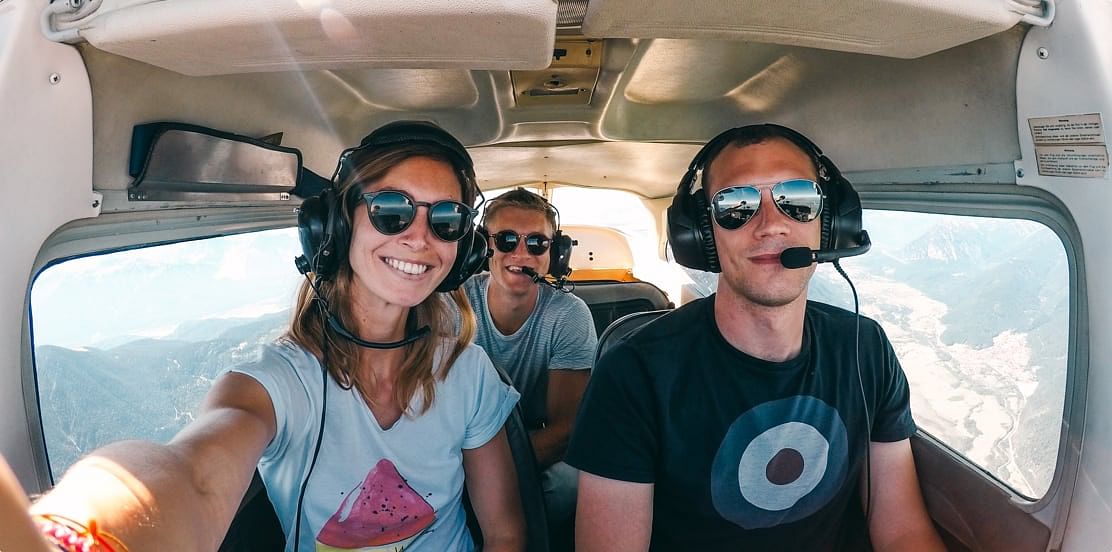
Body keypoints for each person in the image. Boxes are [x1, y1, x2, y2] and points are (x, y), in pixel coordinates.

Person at [26, 121, 526, 551]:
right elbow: (192, 474)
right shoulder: (275, 383)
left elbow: (504, 533)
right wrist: (78, 532)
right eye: (392, 210)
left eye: (446, 219)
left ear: (464, 251)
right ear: (336, 226)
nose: (419, 238)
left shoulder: (466, 371)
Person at [566, 124, 945, 551]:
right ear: (701, 235)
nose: (770, 225)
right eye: (735, 204)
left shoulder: (865, 347)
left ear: (830, 221)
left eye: (797, 199)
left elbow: (901, 532)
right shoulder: (633, 373)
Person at [461, 188, 598, 532]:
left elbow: (567, 428)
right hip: (461, 444)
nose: (521, 253)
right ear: (483, 246)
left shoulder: (568, 315)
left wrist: (492, 474)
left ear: (556, 252)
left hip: (534, 445)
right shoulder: (454, 305)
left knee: (570, 481)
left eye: (537, 243)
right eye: (506, 240)